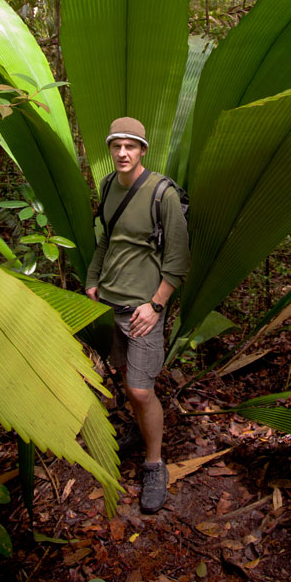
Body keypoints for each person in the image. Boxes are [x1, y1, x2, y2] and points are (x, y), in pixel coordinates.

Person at [85, 117, 189, 513]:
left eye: (131, 146)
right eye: (116, 146)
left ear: (143, 150)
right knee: (129, 381)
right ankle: (139, 429)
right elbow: (107, 239)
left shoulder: (161, 193)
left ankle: (154, 465)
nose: (123, 153)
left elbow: (178, 258)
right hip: (111, 301)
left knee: (142, 389)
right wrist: (94, 279)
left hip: (144, 308)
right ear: (110, 150)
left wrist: (157, 304)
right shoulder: (109, 186)